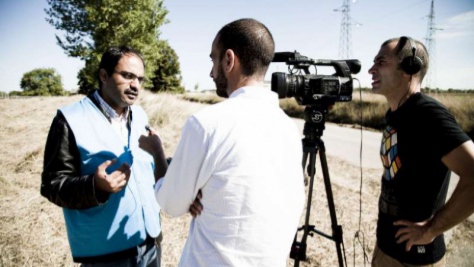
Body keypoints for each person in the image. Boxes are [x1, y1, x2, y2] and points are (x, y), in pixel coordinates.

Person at [139, 18, 305, 266]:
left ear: (229, 60)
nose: (211, 72)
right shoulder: (288, 127)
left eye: (213, 59)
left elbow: (171, 205)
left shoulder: (206, 124)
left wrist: (157, 153)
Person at [41, 46, 165, 266]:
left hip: (150, 244)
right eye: (127, 76)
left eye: (139, 79)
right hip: (106, 255)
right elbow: (52, 185)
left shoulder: (140, 115)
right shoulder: (68, 120)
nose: (135, 85)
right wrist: (94, 186)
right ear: (104, 75)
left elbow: (146, 169)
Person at [368, 36, 474, 267]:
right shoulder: (395, 113)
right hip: (386, 249)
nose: (371, 69)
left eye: (381, 62)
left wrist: (431, 228)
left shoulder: (429, 115)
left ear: (409, 68)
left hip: (415, 259)